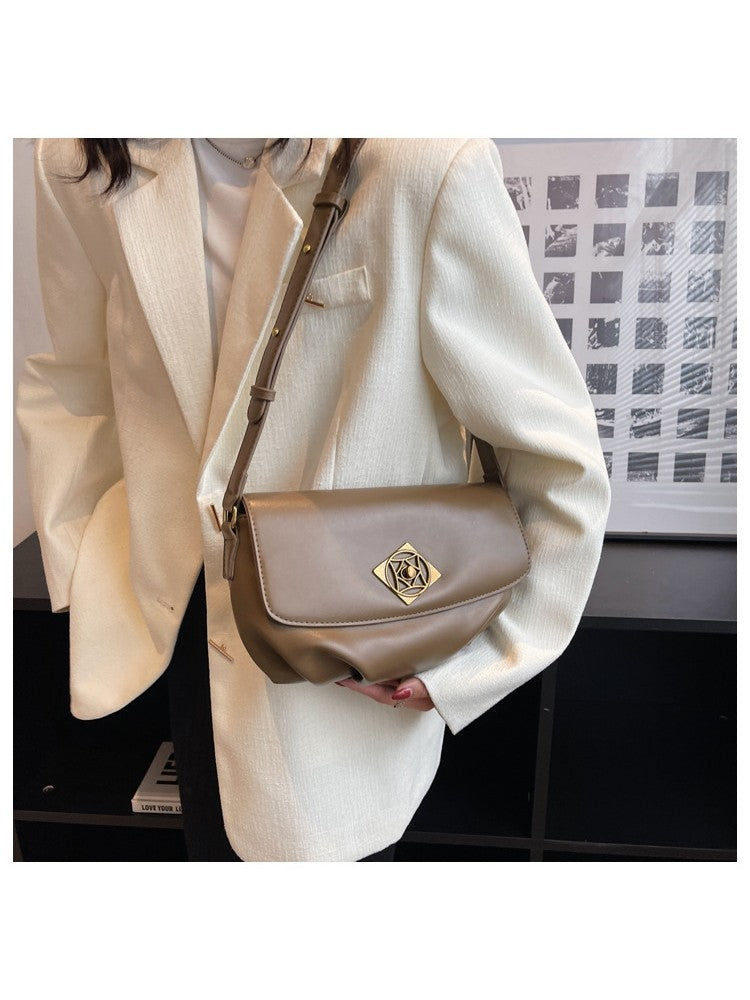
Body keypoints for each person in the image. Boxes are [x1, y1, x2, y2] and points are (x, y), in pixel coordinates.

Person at [16, 137, 611, 862]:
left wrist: (476, 663)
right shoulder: (84, 150)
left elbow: (557, 459)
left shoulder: (422, 159)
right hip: (177, 624)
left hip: (352, 642)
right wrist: (84, 566)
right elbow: (75, 380)